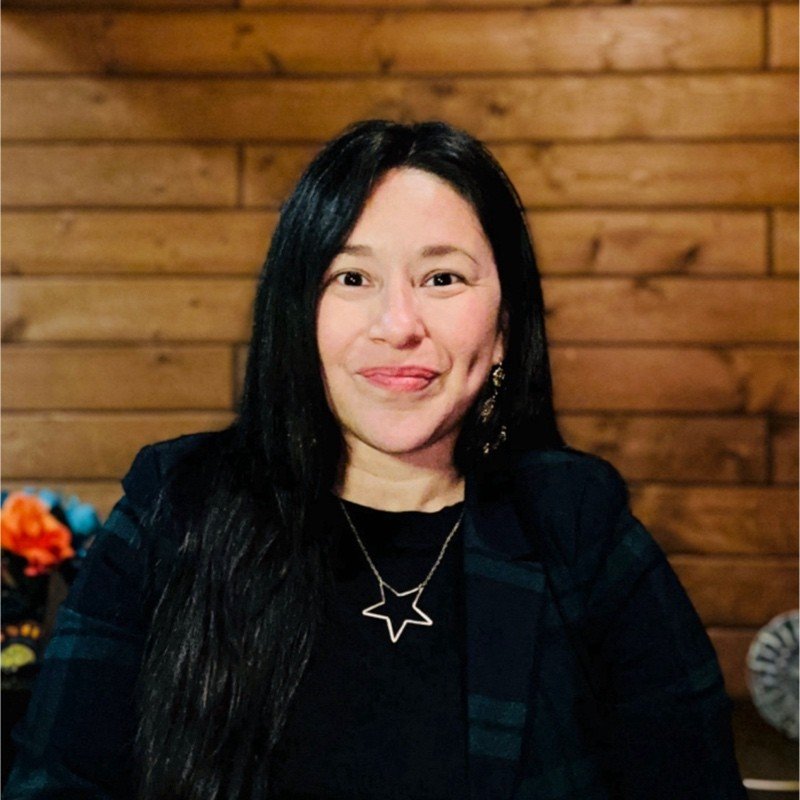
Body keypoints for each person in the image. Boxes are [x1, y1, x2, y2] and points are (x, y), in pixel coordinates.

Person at [5, 119, 747, 800]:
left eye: (442, 278)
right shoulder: (175, 508)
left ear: (504, 329)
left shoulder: (579, 529)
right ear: (298, 315)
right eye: (352, 278)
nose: (398, 325)